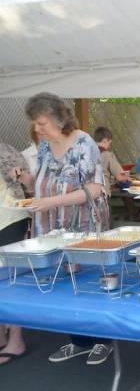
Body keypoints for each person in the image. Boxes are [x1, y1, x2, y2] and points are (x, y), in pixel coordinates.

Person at [13, 92, 112, 365]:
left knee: (90, 282)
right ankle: (78, 340)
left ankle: (103, 340)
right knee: (65, 284)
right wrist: (25, 178)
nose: (37, 128)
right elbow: (43, 181)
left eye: (41, 122)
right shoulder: (45, 145)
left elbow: (93, 188)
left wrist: (50, 202)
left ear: (59, 119)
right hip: (52, 225)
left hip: (81, 225)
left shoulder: (83, 143)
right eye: (35, 122)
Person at [0, 143, 31, 366]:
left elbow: (23, 175)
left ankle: (16, 340)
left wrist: (16, 174)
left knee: (11, 280)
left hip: (9, 218)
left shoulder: (5, 150)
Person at [93, 126, 129, 191]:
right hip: (100, 191)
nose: (108, 146)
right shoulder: (107, 155)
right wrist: (128, 178)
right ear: (105, 140)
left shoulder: (86, 153)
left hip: (86, 192)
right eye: (109, 143)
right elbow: (120, 177)